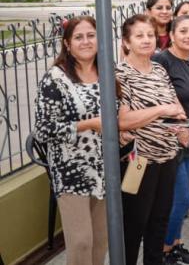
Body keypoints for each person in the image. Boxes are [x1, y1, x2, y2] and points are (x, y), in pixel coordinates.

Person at [33, 16, 108, 265]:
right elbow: (43, 130)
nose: (86, 41)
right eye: (78, 37)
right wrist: (88, 124)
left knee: (101, 239)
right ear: (67, 43)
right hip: (70, 169)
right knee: (81, 241)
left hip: (105, 165)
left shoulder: (106, 72)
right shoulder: (55, 79)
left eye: (91, 35)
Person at [116, 14, 188, 265]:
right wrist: (161, 111)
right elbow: (123, 121)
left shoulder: (159, 69)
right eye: (139, 36)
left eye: (150, 35)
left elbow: (175, 106)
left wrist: (182, 126)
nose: (147, 40)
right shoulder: (120, 74)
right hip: (137, 161)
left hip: (168, 157)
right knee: (134, 223)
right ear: (126, 42)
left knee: (160, 220)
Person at [152, 15, 189, 265]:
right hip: (169, 142)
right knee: (182, 199)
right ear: (171, 35)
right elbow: (154, 101)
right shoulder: (161, 61)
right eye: (183, 31)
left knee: (181, 201)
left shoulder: (188, 61)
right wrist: (176, 129)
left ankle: (175, 244)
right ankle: (162, 250)